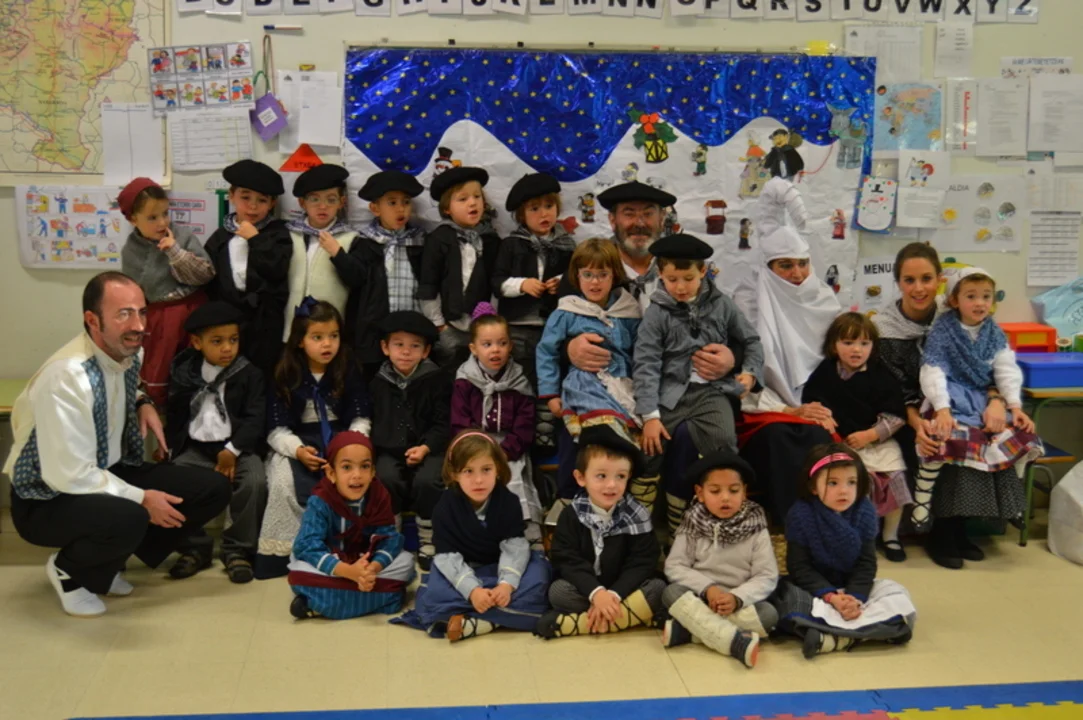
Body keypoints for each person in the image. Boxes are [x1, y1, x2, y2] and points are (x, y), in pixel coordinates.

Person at [5, 272, 230, 617]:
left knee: (212, 488)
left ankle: (105, 561)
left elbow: (122, 383)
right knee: (132, 514)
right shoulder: (66, 377)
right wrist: (142, 498)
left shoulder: (127, 351)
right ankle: (69, 571)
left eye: (142, 312)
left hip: (106, 470)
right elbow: (68, 474)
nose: (138, 325)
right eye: (124, 314)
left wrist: (143, 402)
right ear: (92, 320)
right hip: (47, 496)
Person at [560, 180, 734, 525]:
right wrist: (570, 348)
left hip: (671, 387)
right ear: (612, 220)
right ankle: (583, 525)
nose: (639, 223)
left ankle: (677, 523)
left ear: (662, 219)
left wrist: (731, 358)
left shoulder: (686, 267)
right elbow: (556, 324)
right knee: (582, 429)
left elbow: (727, 325)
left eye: (648, 214)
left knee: (686, 431)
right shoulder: (592, 266)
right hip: (608, 384)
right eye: (629, 214)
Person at [916, 267, 1043, 565]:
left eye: (986, 296)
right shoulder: (943, 330)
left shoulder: (993, 333)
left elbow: (1006, 370)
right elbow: (933, 370)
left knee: (1012, 437)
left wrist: (1014, 406)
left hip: (981, 399)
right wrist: (943, 408)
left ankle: (963, 529)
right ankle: (942, 532)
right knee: (954, 442)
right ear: (954, 300)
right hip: (948, 398)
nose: (979, 303)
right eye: (971, 296)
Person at [731, 177, 839, 524]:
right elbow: (745, 374)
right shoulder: (748, 305)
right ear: (768, 268)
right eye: (785, 265)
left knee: (817, 437)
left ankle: (822, 523)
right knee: (779, 438)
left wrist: (815, 408)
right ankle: (789, 526)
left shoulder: (824, 301)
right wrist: (790, 410)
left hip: (816, 406)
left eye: (802, 263)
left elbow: (836, 367)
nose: (797, 273)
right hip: (763, 410)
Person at [392, 431, 551, 641]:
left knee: (540, 578)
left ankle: (476, 621)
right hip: (465, 569)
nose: (478, 480)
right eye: (468, 471)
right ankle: (500, 616)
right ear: (454, 474)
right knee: (435, 595)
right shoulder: (444, 508)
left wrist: (506, 585)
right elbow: (447, 557)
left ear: (498, 469)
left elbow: (515, 547)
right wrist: (472, 591)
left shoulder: (509, 501)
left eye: (486, 469)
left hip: (500, 566)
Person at [256, 299, 372, 579]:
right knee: (284, 482)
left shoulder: (347, 367)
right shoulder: (285, 372)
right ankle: (286, 554)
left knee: (355, 478)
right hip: (296, 441)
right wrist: (297, 451)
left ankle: (342, 552)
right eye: (317, 337)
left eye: (333, 336)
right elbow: (275, 429)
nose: (327, 344)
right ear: (300, 340)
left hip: (341, 439)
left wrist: (351, 444)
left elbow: (361, 416)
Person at [771, 445, 916, 658]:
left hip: (851, 587)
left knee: (896, 593)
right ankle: (865, 633)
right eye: (833, 483)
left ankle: (830, 637)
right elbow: (799, 566)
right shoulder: (800, 515)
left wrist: (854, 597)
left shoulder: (865, 511)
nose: (844, 490)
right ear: (813, 487)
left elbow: (866, 563)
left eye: (851, 482)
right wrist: (831, 596)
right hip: (814, 589)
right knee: (786, 598)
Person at [634, 232, 763, 467]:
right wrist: (649, 415)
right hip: (668, 394)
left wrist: (750, 373)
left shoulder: (722, 305)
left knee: (724, 442)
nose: (681, 287)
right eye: (672, 279)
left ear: (703, 271)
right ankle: (648, 489)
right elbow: (646, 363)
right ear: (660, 274)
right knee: (650, 449)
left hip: (712, 391)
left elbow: (751, 340)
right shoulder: (656, 314)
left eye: (688, 278)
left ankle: (721, 485)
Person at [165, 302, 267, 582]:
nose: (227, 348)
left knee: (255, 482)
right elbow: (175, 413)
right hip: (196, 449)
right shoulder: (185, 373)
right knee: (173, 481)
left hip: (238, 448)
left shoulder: (249, 374)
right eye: (217, 341)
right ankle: (194, 547)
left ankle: (237, 549)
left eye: (233, 340)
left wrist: (232, 451)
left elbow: (256, 417)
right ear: (197, 343)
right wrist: (170, 447)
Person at [536, 425, 664, 639]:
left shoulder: (637, 514)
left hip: (622, 590)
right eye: (601, 476)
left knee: (658, 588)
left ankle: (583, 624)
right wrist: (597, 593)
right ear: (581, 478)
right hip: (587, 589)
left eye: (620, 476)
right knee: (558, 592)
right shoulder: (571, 514)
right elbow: (566, 559)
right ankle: (628, 617)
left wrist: (613, 594)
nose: (611, 485)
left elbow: (642, 562)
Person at [802, 313, 912, 562]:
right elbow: (812, 400)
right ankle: (862, 535)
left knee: (895, 478)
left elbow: (896, 415)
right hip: (840, 442)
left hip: (877, 440)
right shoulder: (825, 372)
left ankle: (891, 535)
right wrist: (823, 417)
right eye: (848, 342)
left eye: (864, 343)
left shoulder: (881, 375)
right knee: (857, 483)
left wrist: (871, 435)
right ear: (834, 345)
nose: (856, 350)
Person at [662, 451, 779, 668]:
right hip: (700, 599)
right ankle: (734, 641)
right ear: (700, 493)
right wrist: (708, 589)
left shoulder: (756, 526)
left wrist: (736, 597)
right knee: (670, 592)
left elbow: (767, 575)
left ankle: (691, 631)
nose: (725, 497)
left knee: (769, 614)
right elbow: (675, 566)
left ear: (744, 492)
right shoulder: (692, 522)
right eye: (715, 491)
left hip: (738, 603)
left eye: (733, 490)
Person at [288, 431, 415, 620]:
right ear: (331, 473)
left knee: (406, 563)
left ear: (373, 472)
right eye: (347, 467)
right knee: (298, 571)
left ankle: (319, 604)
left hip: (366, 562)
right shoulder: (320, 500)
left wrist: (372, 569)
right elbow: (307, 545)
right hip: (335, 565)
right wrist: (348, 572)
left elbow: (390, 538)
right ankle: (387, 599)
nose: (357, 475)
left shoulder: (379, 495)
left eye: (365, 466)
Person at [118, 178, 215, 407]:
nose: (162, 222)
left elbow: (205, 274)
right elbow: (134, 292)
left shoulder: (182, 236)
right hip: (159, 322)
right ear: (133, 219)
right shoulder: (130, 250)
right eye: (152, 218)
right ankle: (161, 420)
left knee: (195, 372)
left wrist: (175, 252)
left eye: (165, 214)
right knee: (160, 372)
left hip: (191, 313)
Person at [451, 304, 542, 544]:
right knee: (476, 477)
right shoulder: (465, 380)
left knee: (514, 475)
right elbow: (461, 422)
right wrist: (479, 450)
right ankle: (480, 534)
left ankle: (525, 535)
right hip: (475, 445)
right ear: (473, 348)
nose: (495, 350)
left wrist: (505, 451)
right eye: (487, 344)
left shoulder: (519, 379)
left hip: (509, 446)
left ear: (510, 346)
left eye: (502, 343)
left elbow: (525, 424)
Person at [369, 311, 451, 571]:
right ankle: (390, 537)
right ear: (385, 347)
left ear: (426, 351)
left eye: (415, 346)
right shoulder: (378, 381)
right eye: (399, 345)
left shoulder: (436, 379)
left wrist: (425, 447)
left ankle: (428, 538)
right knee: (385, 476)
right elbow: (375, 420)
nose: (406, 352)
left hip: (428, 447)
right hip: (389, 449)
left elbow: (443, 423)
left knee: (429, 480)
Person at [203, 160, 292, 377]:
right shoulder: (220, 238)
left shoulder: (278, 234)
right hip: (230, 320)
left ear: (272, 203)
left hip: (266, 321)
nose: (253, 206)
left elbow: (277, 269)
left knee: (264, 373)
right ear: (231, 196)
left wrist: (256, 240)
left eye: (262, 200)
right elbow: (210, 280)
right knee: (231, 372)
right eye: (245, 197)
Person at [492, 172, 576, 383]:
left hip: (553, 325)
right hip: (517, 325)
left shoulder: (566, 245)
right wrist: (522, 285)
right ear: (521, 215)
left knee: (551, 372)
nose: (543, 214)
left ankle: (549, 401)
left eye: (549, 206)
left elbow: (576, 277)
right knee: (519, 374)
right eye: (534, 209)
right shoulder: (511, 244)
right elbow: (497, 282)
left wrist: (562, 282)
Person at [347, 170, 427, 376]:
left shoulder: (421, 242)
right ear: (375, 208)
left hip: (414, 333)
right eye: (392, 203)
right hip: (375, 333)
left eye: (406, 202)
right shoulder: (364, 243)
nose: (401, 209)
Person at [418, 166, 500, 366]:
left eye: (477, 197)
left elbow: (496, 283)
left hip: (482, 326)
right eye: (462, 199)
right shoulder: (439, 239)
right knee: (449, 370)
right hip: (450, 325)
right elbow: (428, 284)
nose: (472, 203)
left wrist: (491, 321)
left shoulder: (491, 240)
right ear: (447, 208)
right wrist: (439, 326)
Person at [283, 164, 364, 338]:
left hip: (331, 329)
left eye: (331, 200)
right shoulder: (289, 235)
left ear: (341, 202)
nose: (322, 206)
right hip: (293, 326)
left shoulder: (351, 238)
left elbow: (358, 280)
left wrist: (338, 254)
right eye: (314, 199)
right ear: (302, 203)